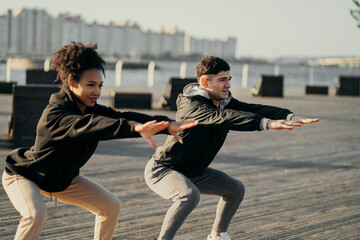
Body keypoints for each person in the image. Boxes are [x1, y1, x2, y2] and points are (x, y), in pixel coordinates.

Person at [2, 42, 197, 240]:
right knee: (35, 215)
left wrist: (167, 124)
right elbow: (89, 125)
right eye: (90, 85)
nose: (97, 91)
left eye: (100, 85)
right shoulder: (56, 114)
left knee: (110, 206)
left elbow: (120, 115)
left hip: (62, 179)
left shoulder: (91, 108)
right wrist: (134, 128)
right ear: (71, 82)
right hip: (25, 174)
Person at [144, 56, 319, 240]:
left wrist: (288, 115)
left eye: (229, 79)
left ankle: (218, 235)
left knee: (235, 190)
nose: (227, 85)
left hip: (194, 171)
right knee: (189, 195)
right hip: (163, 169)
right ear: (204, 82)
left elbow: (252, 108)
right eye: (222, 80)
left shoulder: (222, 101)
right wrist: (266, 124)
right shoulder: (192, 106)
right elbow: (224, 117)